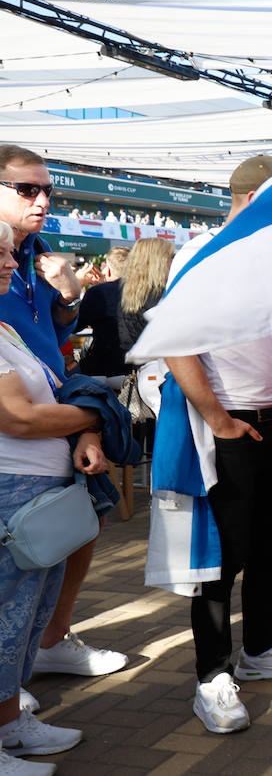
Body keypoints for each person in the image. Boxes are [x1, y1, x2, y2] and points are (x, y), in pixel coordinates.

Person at [163, 155, 272, 735]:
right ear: (257, 199)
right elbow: (176, 343)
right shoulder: (203, 253)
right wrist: (219, 418)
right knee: (221, 557)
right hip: (229, 426)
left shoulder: (263, 262)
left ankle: (259, 648)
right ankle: (212, 675)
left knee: (270, 546)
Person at [0, 145, 126, 682]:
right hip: (18, 422)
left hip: (50, 406)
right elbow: (15, 413)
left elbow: (52, 338)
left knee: (78, 522)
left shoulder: (39, 253)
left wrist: (70, 297)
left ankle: (47, 641)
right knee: (18, 552)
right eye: (26, 189)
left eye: (47, 190)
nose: (42, 200)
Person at [0, 219, 108, 776]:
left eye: (8, 252)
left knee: (24, 616)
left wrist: (84, 424)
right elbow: (19, 418)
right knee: (6, 615)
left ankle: (9, 723)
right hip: (12, 492)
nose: (10, 263)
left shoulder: (5, 327)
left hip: (36, 492)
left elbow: (50, 389)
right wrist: (92, 415)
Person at [117, 238, 176, 416]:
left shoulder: (129, 295)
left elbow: (126, 342)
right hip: (166, 372)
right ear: (159, 260)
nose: (174, 260)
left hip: (147, 374)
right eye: (171, 256)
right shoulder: (161, 295)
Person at [74, 246, 131, 389]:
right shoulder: (150, 291)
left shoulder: (98, 293)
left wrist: (76, 285)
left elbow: (73, 325)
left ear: (109, 270)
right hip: (139, 371)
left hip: (104, 371)